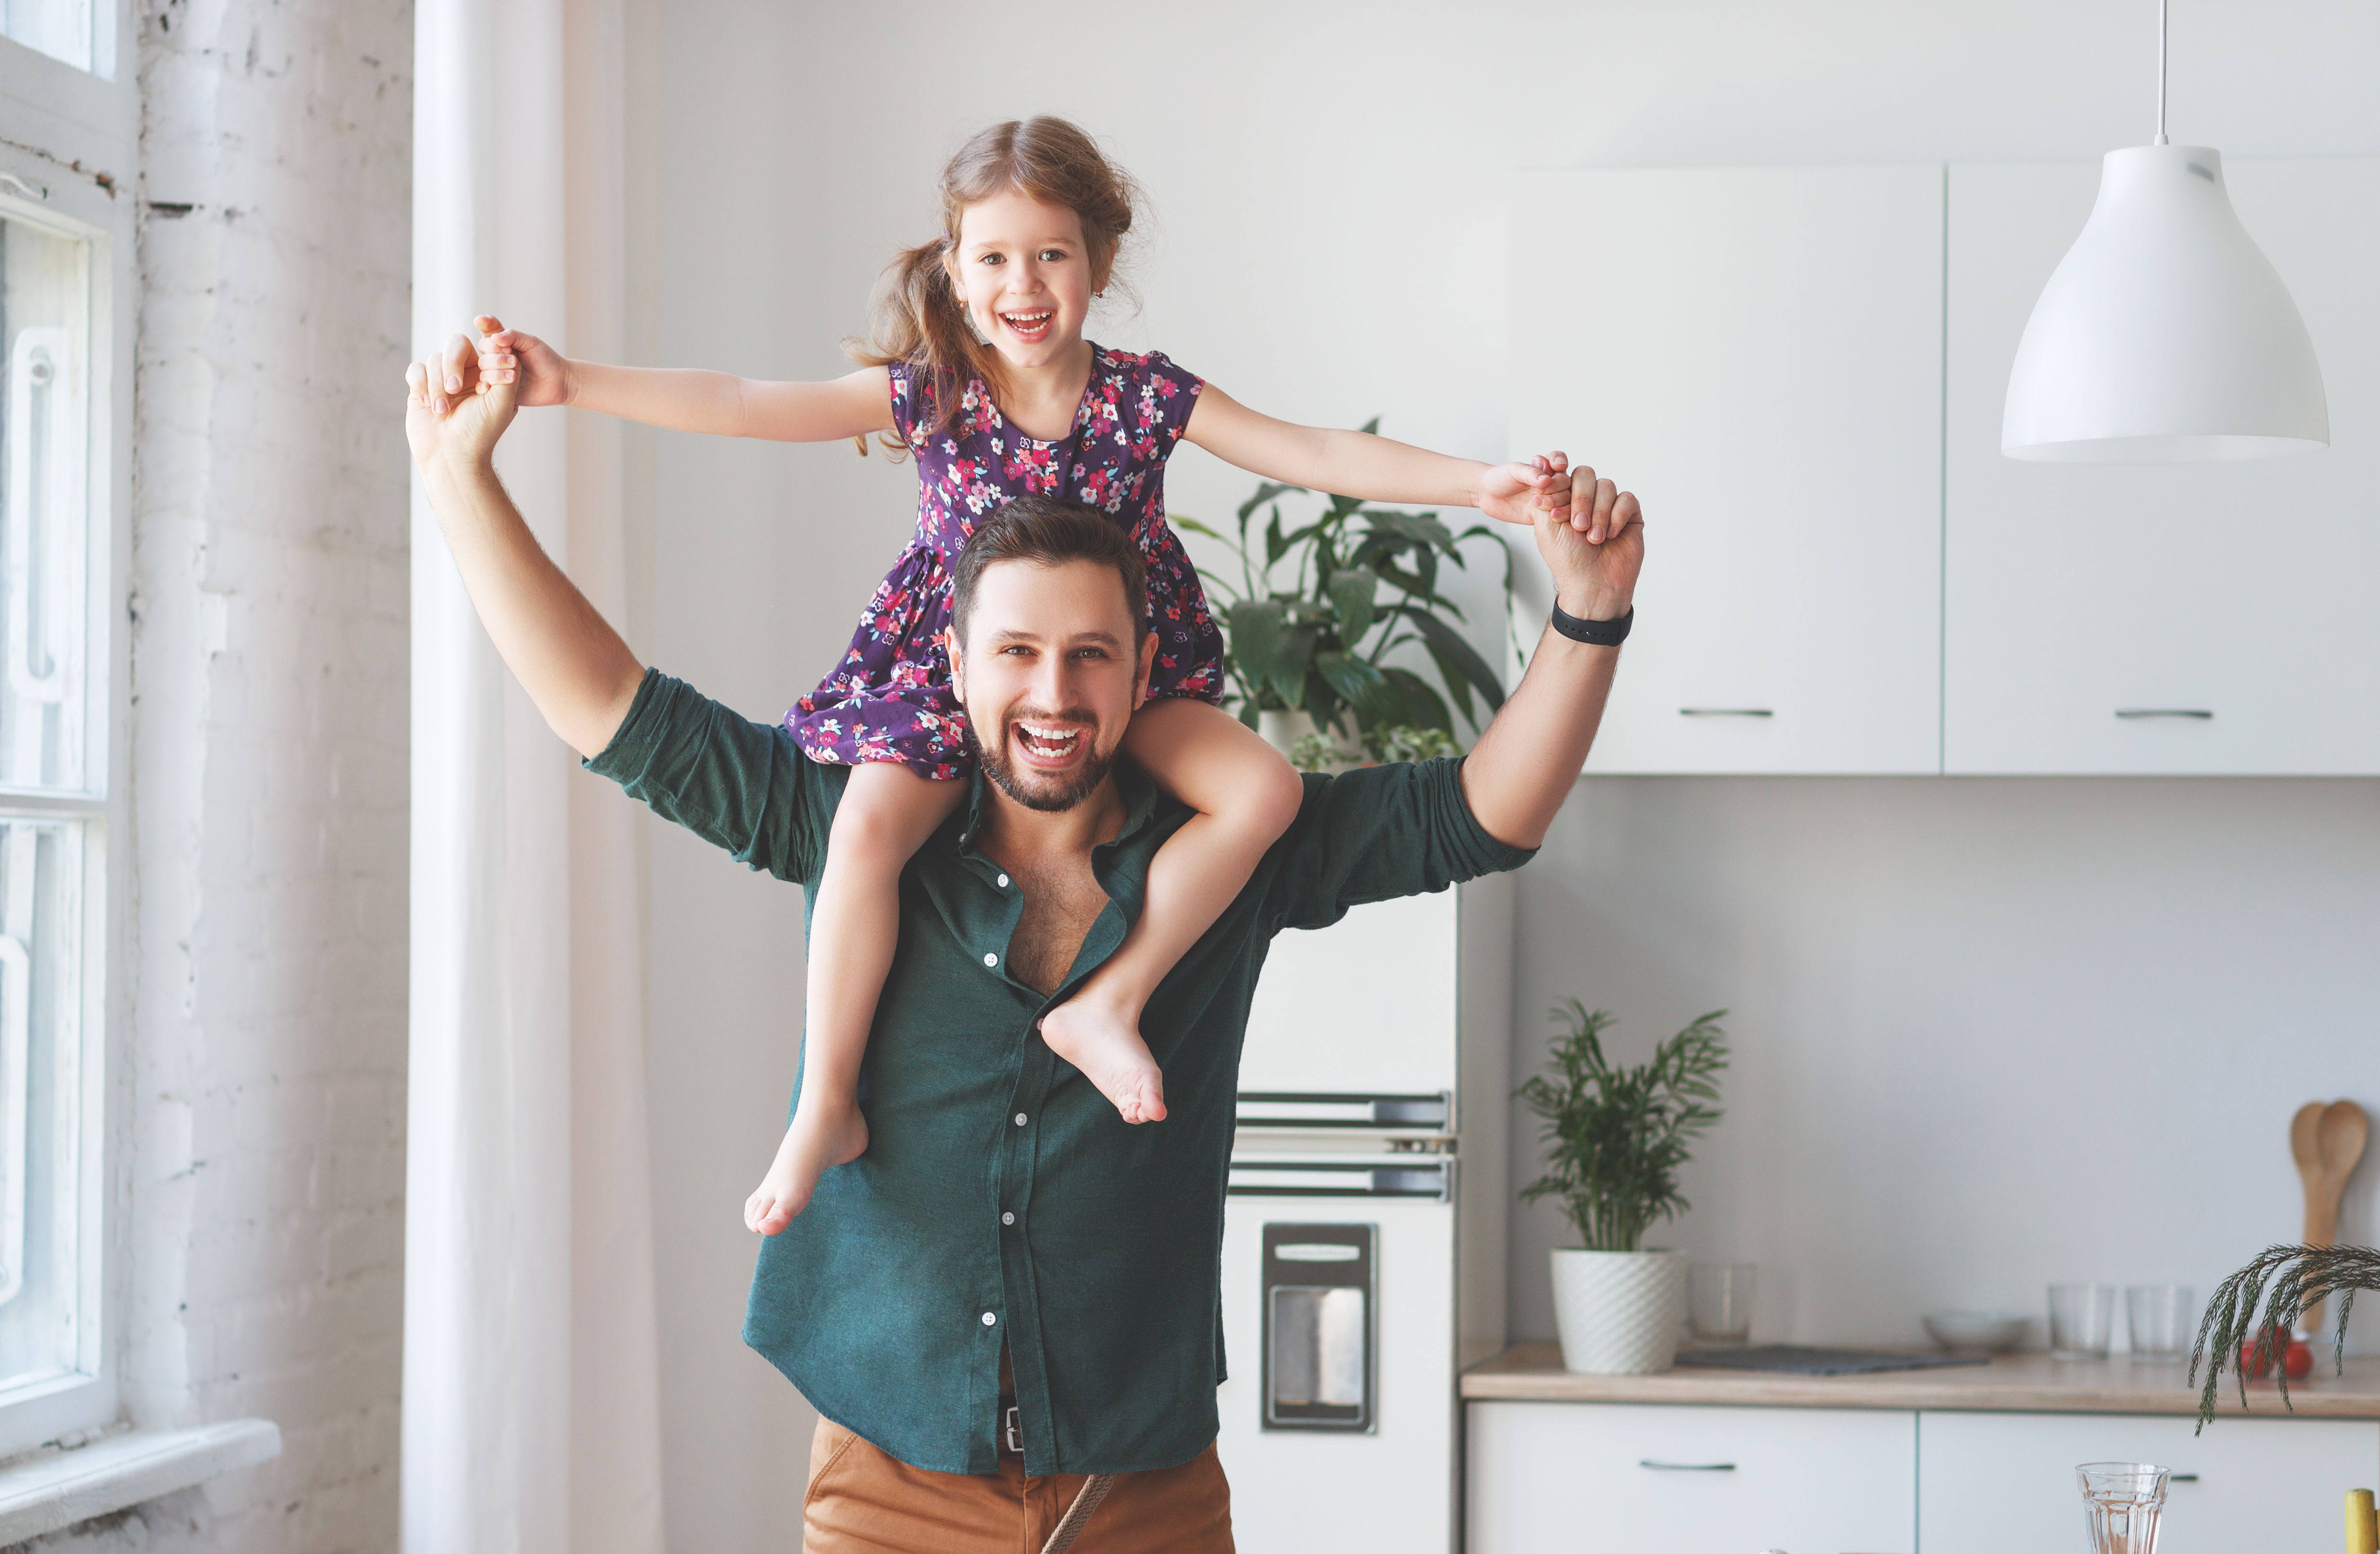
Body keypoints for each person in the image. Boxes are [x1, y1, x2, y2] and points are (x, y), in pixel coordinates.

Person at [406, 311, 1641, 1553]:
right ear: (952, 660)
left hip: (1142, 1496)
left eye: (1091, 656)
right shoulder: (857, 832)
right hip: (889, 1491)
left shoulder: (1231, 852)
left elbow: (1479, 817)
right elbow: (617, 716)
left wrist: (1587, 615)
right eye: (1017, 654)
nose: (1053, 696)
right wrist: (460, 479)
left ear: (1147, 660)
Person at [439, 115, 1576, 1235]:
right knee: (868, 831)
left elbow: (1316, 451)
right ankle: (826, 1100)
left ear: (1098, 264)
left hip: (1125, 670)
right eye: (992, 256)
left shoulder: (1143, 395)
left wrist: (1481, 485)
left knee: (1267, 793)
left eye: (1050, 254)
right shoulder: (934, 389)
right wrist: (570, 380)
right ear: (954, 265)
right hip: (963, 677)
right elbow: (743, 402)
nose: (1021, 284)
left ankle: (1112, 997)